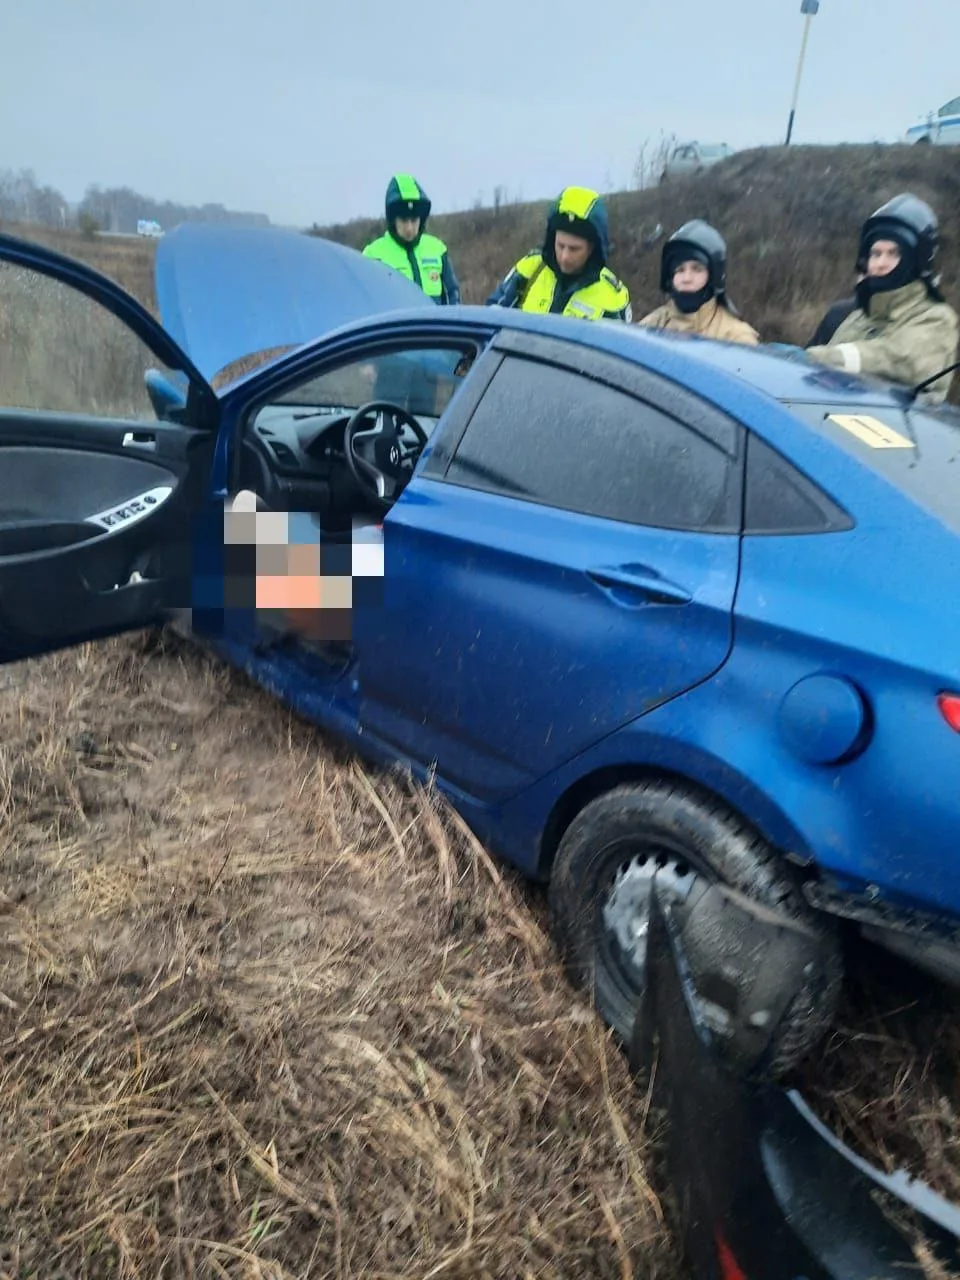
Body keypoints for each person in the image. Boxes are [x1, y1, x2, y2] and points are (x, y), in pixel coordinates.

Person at [806, 194, 959, 404]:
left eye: (893, 254)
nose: (880, 263)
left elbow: (900, 359)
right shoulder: (860, 313)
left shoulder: (936, 318)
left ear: (915, 261)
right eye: (875, 254)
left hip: (889, 431)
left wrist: (814, 358)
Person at [486, 186, 632, 321]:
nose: (565, 256)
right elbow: (490, 319)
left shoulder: (613, 298)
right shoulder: (530, 270)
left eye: (574, 249)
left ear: (593, 248)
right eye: (560, 245)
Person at [637, 220, 759, 345]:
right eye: (679, 270)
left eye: (697, 269)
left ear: (713, 276)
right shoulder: (654, 323)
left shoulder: (737, 338)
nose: (686, 278)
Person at [363, 174, 460, 305]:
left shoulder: (437, 249)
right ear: (393, 220)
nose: (409, 228)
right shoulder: (374, 256)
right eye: (403, 220)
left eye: (414, 220)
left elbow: (453, 297)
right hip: (398, 325)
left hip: (436, 325)